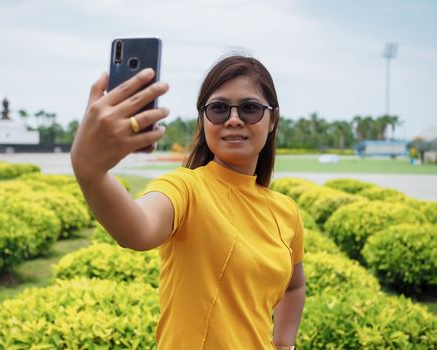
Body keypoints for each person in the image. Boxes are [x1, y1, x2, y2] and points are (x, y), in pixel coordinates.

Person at [71, 54, 306, 350]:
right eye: (219, 109)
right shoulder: (186, 187)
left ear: (273, 120)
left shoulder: (285, 210)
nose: (234, 119)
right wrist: (90, 170)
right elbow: (137, 230)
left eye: (249, 108)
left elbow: (295, 285)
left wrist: (284, 343)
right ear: (204, 120)